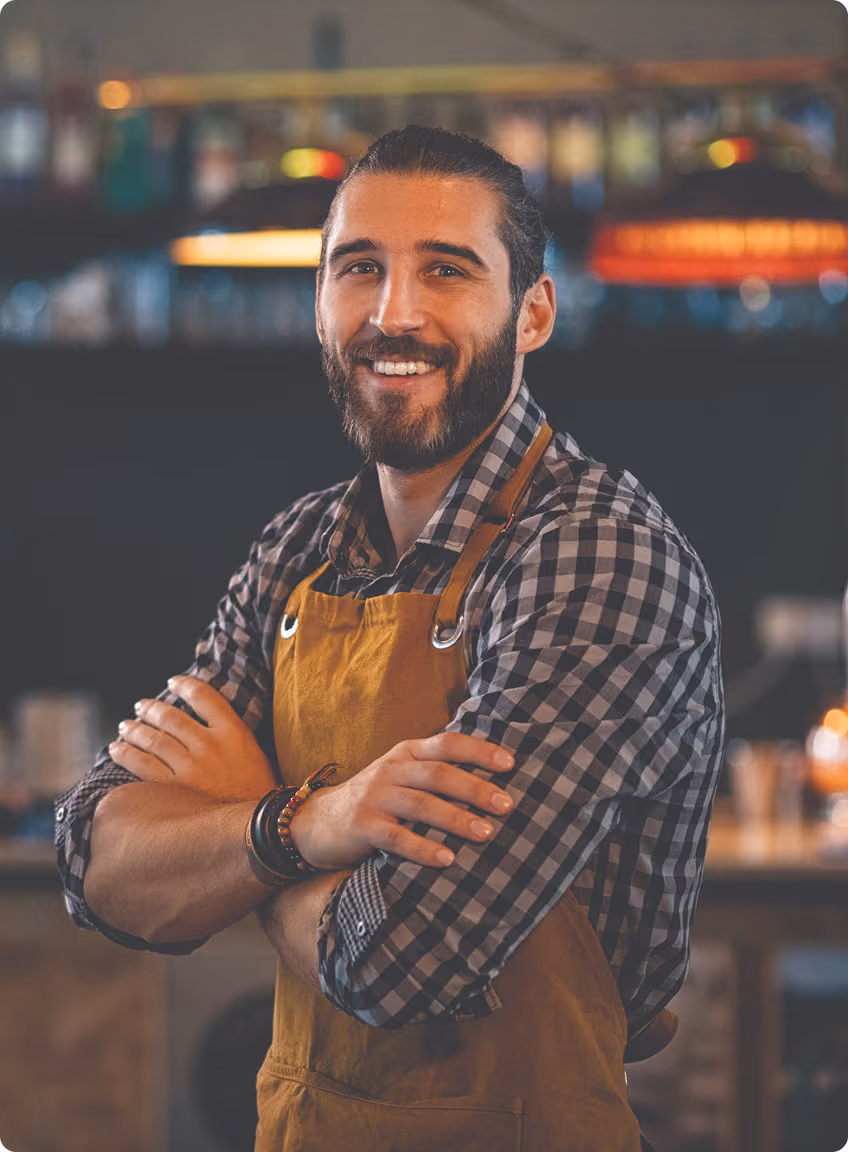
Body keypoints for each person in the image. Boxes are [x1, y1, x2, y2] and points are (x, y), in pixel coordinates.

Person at [55, 125, 724, 1152]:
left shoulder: (597, 556)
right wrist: (307, 826)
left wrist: (235, 836)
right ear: (318, 300)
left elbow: (401, 961)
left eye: (446, 271)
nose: (391, 313)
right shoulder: (296, 549)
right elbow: (96, 863)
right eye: (357, 268)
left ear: (531, 311)